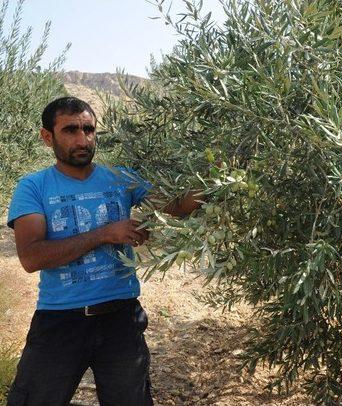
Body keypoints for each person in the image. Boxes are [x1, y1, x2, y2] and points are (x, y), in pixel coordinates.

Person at [6, 97, 200, 406]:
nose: (82, 139)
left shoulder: (121, 178)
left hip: (121, 319)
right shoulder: (34, 187)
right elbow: (31, 257)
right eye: (70, 130)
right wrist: (106, 233)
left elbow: (175, 205)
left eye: (89, 130)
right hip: (59, 322)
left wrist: (218, 180)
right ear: (47, 137)